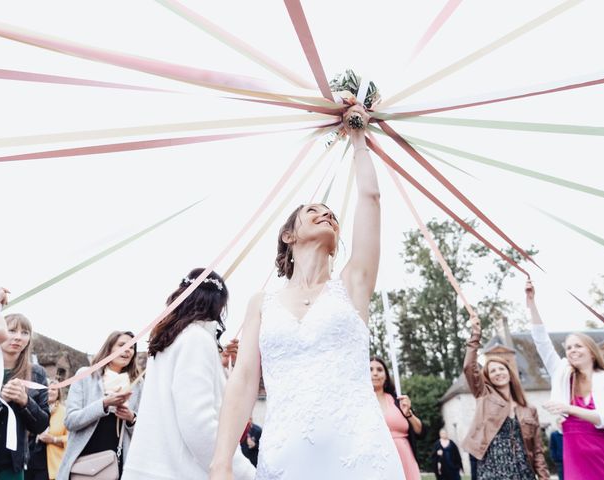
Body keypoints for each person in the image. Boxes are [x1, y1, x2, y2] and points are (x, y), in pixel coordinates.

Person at [210, 102, 405, 480]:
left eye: (331, 213)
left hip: (361, 452)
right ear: (288, 235)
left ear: (336, 242)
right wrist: (222, 461)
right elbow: (244, 379)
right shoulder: (261, 303)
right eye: (314, 211)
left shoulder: (353, 285)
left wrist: (359, 135)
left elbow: (371, 200)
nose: (327, 214)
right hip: (287, 457)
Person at [122, 269, 254, 480]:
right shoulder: (196, 340)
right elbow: (198, 423)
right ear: (217, 303)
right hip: (178, 472)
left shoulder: (167, 342)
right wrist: (246, 473)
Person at [526, 281, 604, 479]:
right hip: (575, 454)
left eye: (578, 346)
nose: (572, 350)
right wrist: (531, 304)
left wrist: (568, 409)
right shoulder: (561, 373)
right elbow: (542, 341)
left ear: (592, 352)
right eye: (568, 348)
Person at [462, 313, 549, 480]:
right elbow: (469, 367)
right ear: (487, 378)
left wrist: (544, 476)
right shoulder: (484, 395)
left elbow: (537, 450)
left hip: (524, 472)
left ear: (509, 373)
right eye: (492, 371)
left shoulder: (529, 410)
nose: (498, 373)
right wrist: (475, 335)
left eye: (501, 369)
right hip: (492, 471)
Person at [56, 331, 142, 480]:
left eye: (132, 347)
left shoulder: (137, 384)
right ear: (109, 348)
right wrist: (103, 404)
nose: (128, 350)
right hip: (83, 463)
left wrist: (131, 418)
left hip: (119, 464)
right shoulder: (85, 375)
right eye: (122, 345)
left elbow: (145, 431)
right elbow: (70, 421)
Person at [0, 313, 49, 480]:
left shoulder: (38, 373)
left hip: (13, 467)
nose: (18, 337)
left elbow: (42, 425)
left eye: (24, 333)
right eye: (11, 331)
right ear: (0, 333)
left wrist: (25, 402)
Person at [370, 357, 422, 479]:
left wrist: (409, 413)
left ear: (386, 376)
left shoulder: (398, 400)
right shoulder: (360, 403)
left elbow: (420, 431)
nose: (375, 373)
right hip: (377, 461)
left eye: (379, 369)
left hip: (405, 458)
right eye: (370, 370)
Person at [26, 382, 67, 480]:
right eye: (46, 389)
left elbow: (72, 439)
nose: (49, 391)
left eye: (53, 389)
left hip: (51, 464)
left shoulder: (65, 412)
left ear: (59, 393)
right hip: (29, 460)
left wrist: (54, 439)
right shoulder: (33, 409)